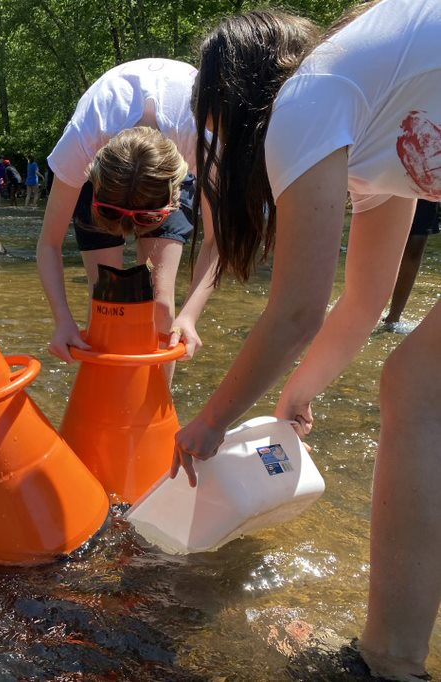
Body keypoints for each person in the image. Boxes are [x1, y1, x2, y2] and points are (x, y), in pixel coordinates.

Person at [174, 3, 441, 679]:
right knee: (417, 383)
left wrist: (210, 422)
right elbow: (363, 301)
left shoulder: (310, 97)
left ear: (229, 106)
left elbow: (294, 311)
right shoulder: (369, 123)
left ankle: (388, 663)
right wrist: (296, 396)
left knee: (415, 388)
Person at [36, 58, 220, 383]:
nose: (132, 228)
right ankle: (105, 398)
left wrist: (190, 316)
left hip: (166, 164)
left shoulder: (201, 142)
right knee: (106, 303)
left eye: (145, 219)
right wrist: (62, 320)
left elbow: (217, 241)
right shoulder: (82, 141)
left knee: (161, 306)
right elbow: (49, 243)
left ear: (176, 194)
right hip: (106, 156)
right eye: (114, 216)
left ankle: (157, 405)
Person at [383, 199, 440, 329]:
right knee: (385, 241)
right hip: (389, 183)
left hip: (425, 184)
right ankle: (367, 310)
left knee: (417, 242)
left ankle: (393, 318)